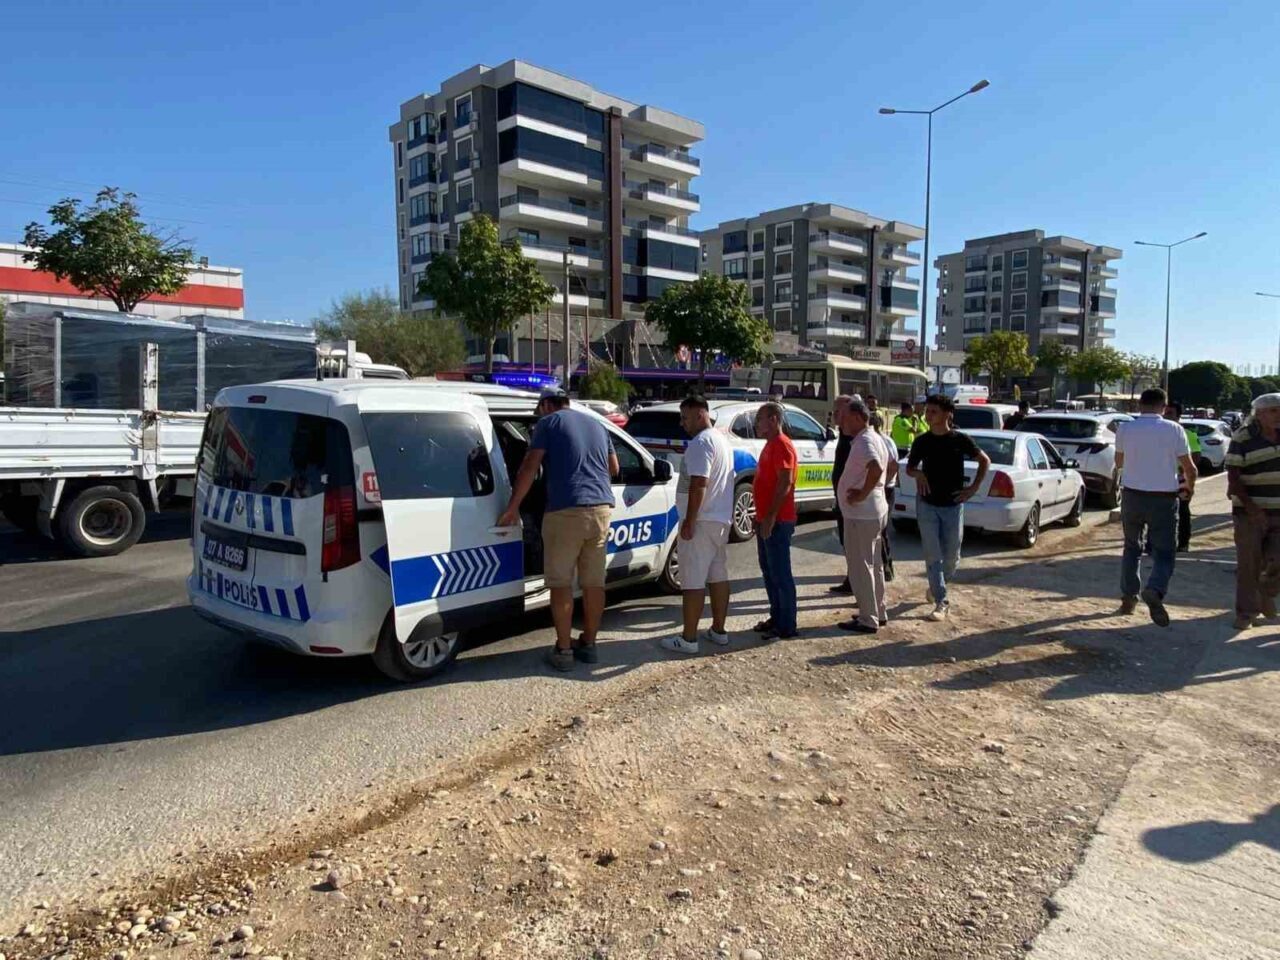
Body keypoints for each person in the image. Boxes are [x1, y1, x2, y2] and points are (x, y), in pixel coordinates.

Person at [499, 386, 619, 670]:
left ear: (546, 406)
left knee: (561, 583)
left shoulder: (548, 423)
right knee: (593, 583)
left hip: (566, 512)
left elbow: (529, 466)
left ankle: (564, 650)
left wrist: (513, 507)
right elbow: (613, 468)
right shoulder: (597, 424)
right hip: (601, 510)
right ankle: (589, 644)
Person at [1114, 387, 1196, 627]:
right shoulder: (1174, 430)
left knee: (1131, 548)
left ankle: (1128, 598)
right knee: (1164, 552)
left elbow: (1119, 462)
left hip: (1132, 496)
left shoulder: (1125, 428)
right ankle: (1155, 589)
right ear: (1164, 406)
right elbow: (1190, 468)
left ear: (1140, 404)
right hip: (1163, 498)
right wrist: (1189, 489)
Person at [661, 395, 736, 655]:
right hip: (719, 519)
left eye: (685, 417)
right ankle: (718, 631)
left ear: (700, 414)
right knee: (718, 576)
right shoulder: (722, 441)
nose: (682, 423)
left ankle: (689, 638)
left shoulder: (701, 443)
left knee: (692, 580)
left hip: (702, 521)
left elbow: (699, 483)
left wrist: (690, 520)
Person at [906, 394, 990, 622]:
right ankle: (941, 600)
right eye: (927, 410)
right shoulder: (922, 441)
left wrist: (973, 488)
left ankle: (935, 586)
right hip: (926, 504)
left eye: (933, 411)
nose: (928, 414)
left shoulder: (960, 439)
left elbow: (985, 460)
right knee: (932, 554)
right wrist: (919, 473)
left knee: (952, 556)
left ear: (947, 414)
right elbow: (909, 468)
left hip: (953, 505)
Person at [1225, 393, 1280, 630]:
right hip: (1250, 513)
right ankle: (1246, 614)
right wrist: (1251, 508)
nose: (1278, 416)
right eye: (1274, 411)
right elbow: (1234, 477)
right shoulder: (1243, 438)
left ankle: (1267, 593)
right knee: (1249, 564)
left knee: (1276, 559)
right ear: (1259, 414)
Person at [836, 400, 889, 633]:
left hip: (862, 514)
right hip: (872, 511)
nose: (841, 421)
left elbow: (876, 468)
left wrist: (861, 493)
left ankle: (868, 618)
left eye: (845, 417)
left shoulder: (865, 441)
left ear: (858, 417)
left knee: (860, 566)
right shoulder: (874, 437)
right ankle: (878, 610)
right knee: (874, 564)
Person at [752, 402, 799, 639]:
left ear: (772, 419)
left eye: (760, 419)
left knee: (780, 573)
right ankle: (777, 617)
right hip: (766, 519)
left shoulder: (782, 445)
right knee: (769, 571)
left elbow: (785, 481)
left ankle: (787, 624)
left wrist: (770, 516)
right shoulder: (770, 445)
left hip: (778, 520)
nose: (756, 424)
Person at [828, 394, 856, 595]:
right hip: (842, 499)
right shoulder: (843, 435)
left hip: (853, 501)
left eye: (838, 411)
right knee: (846, 542)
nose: (834, 415)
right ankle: (852, 579)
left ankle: (858, 585)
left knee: (855, 544)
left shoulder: (856, 438)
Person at [1163, 401, 1199, 552]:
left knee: (1183, 510)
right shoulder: (1159, 433)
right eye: (1165, 412)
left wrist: (1188, 478)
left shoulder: (1188, 434)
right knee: (1159, 511)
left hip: (1181, 478)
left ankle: (1183, 543)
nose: (1166, 416)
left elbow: (1196, 457)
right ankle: (1153, 544)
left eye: (1170, 413)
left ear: (1178, 416)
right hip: (1161, 477)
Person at [869, 411, 899, 582]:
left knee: (882, 529)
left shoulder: (886, 442)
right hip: (877, 489)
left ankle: (887, 567)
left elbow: (894, 466)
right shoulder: (873, 440)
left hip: (885, 490)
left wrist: (881, 482)